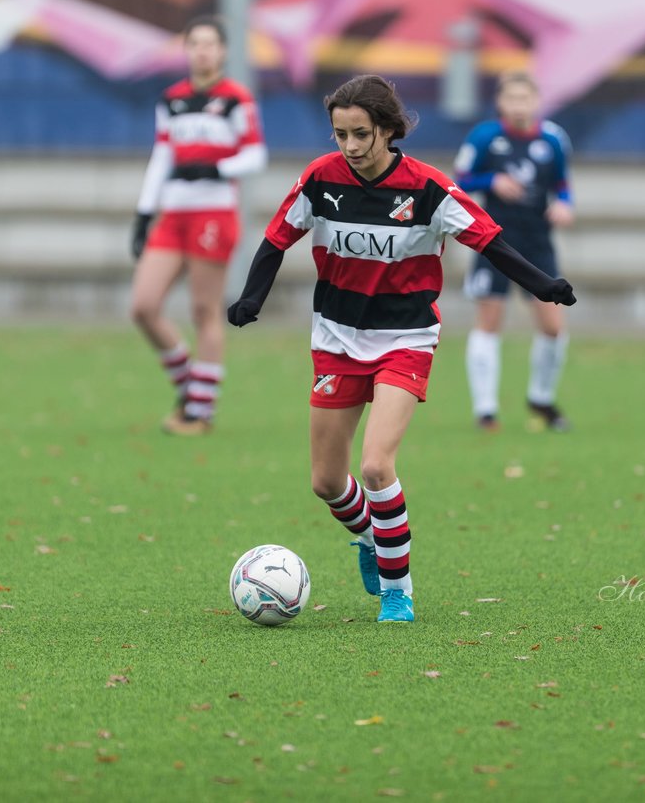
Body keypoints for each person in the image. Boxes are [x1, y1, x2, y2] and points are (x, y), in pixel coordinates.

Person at [226, 75, 577, 623]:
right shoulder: (321, 179)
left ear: (388, 130)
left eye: (361, 134)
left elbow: (490, 241)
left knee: (375, 466)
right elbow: (276, 240)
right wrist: (251, 298)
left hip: (406, 339)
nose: (350, 146)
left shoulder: (428, 189)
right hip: (337, 340)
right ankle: (372, 538)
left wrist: (545, 286)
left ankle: (398, 591)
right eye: (341, 134)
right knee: (325, 481)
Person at [128, 15, 267, 436]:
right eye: (195, 44)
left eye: (210, 44)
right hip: (174, 214)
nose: (202, 51)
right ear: (186, 50)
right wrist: (144, 211)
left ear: (223, 51)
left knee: (203, 310)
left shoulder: (234, 99)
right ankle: (193, 386)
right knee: (144, 307)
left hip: (213, 214)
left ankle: (199, 413)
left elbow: (255, 155)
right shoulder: (171, 100)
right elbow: (162, 157)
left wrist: (216, 167)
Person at [453, 71, 576, 432]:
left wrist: (565, 204)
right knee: (490, 319)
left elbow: (562, 184)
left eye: (526, 98)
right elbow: (459, 179)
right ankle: (486, 410)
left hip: (538, 241)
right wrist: (491, 181)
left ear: (537, 102)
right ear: (501, 103)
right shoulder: (485, 137)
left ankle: (541, 398)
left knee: (553, 326)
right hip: (494, 242)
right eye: (513, 98)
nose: (520, 106)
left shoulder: (553, 139)